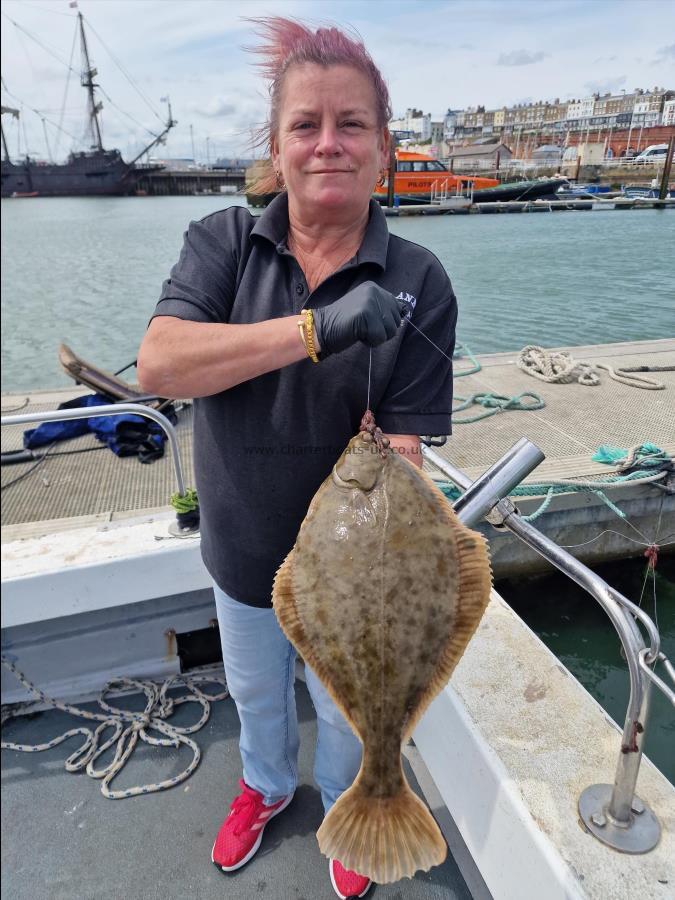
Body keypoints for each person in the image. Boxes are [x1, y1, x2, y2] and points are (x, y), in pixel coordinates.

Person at [137, 17, 457, 900]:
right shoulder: (221, 244)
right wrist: (318, 330)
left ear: (384, 146)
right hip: (242, 551)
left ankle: (364, 804)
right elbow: (161, 359)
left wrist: (406, 504)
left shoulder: (419, 278)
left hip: (357, 571)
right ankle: (268, 787)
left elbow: (403, 441)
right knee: (258, 697)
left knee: (354, 708)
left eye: (352, 124)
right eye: (305, 126)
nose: (329, 144)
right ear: (275, 150)